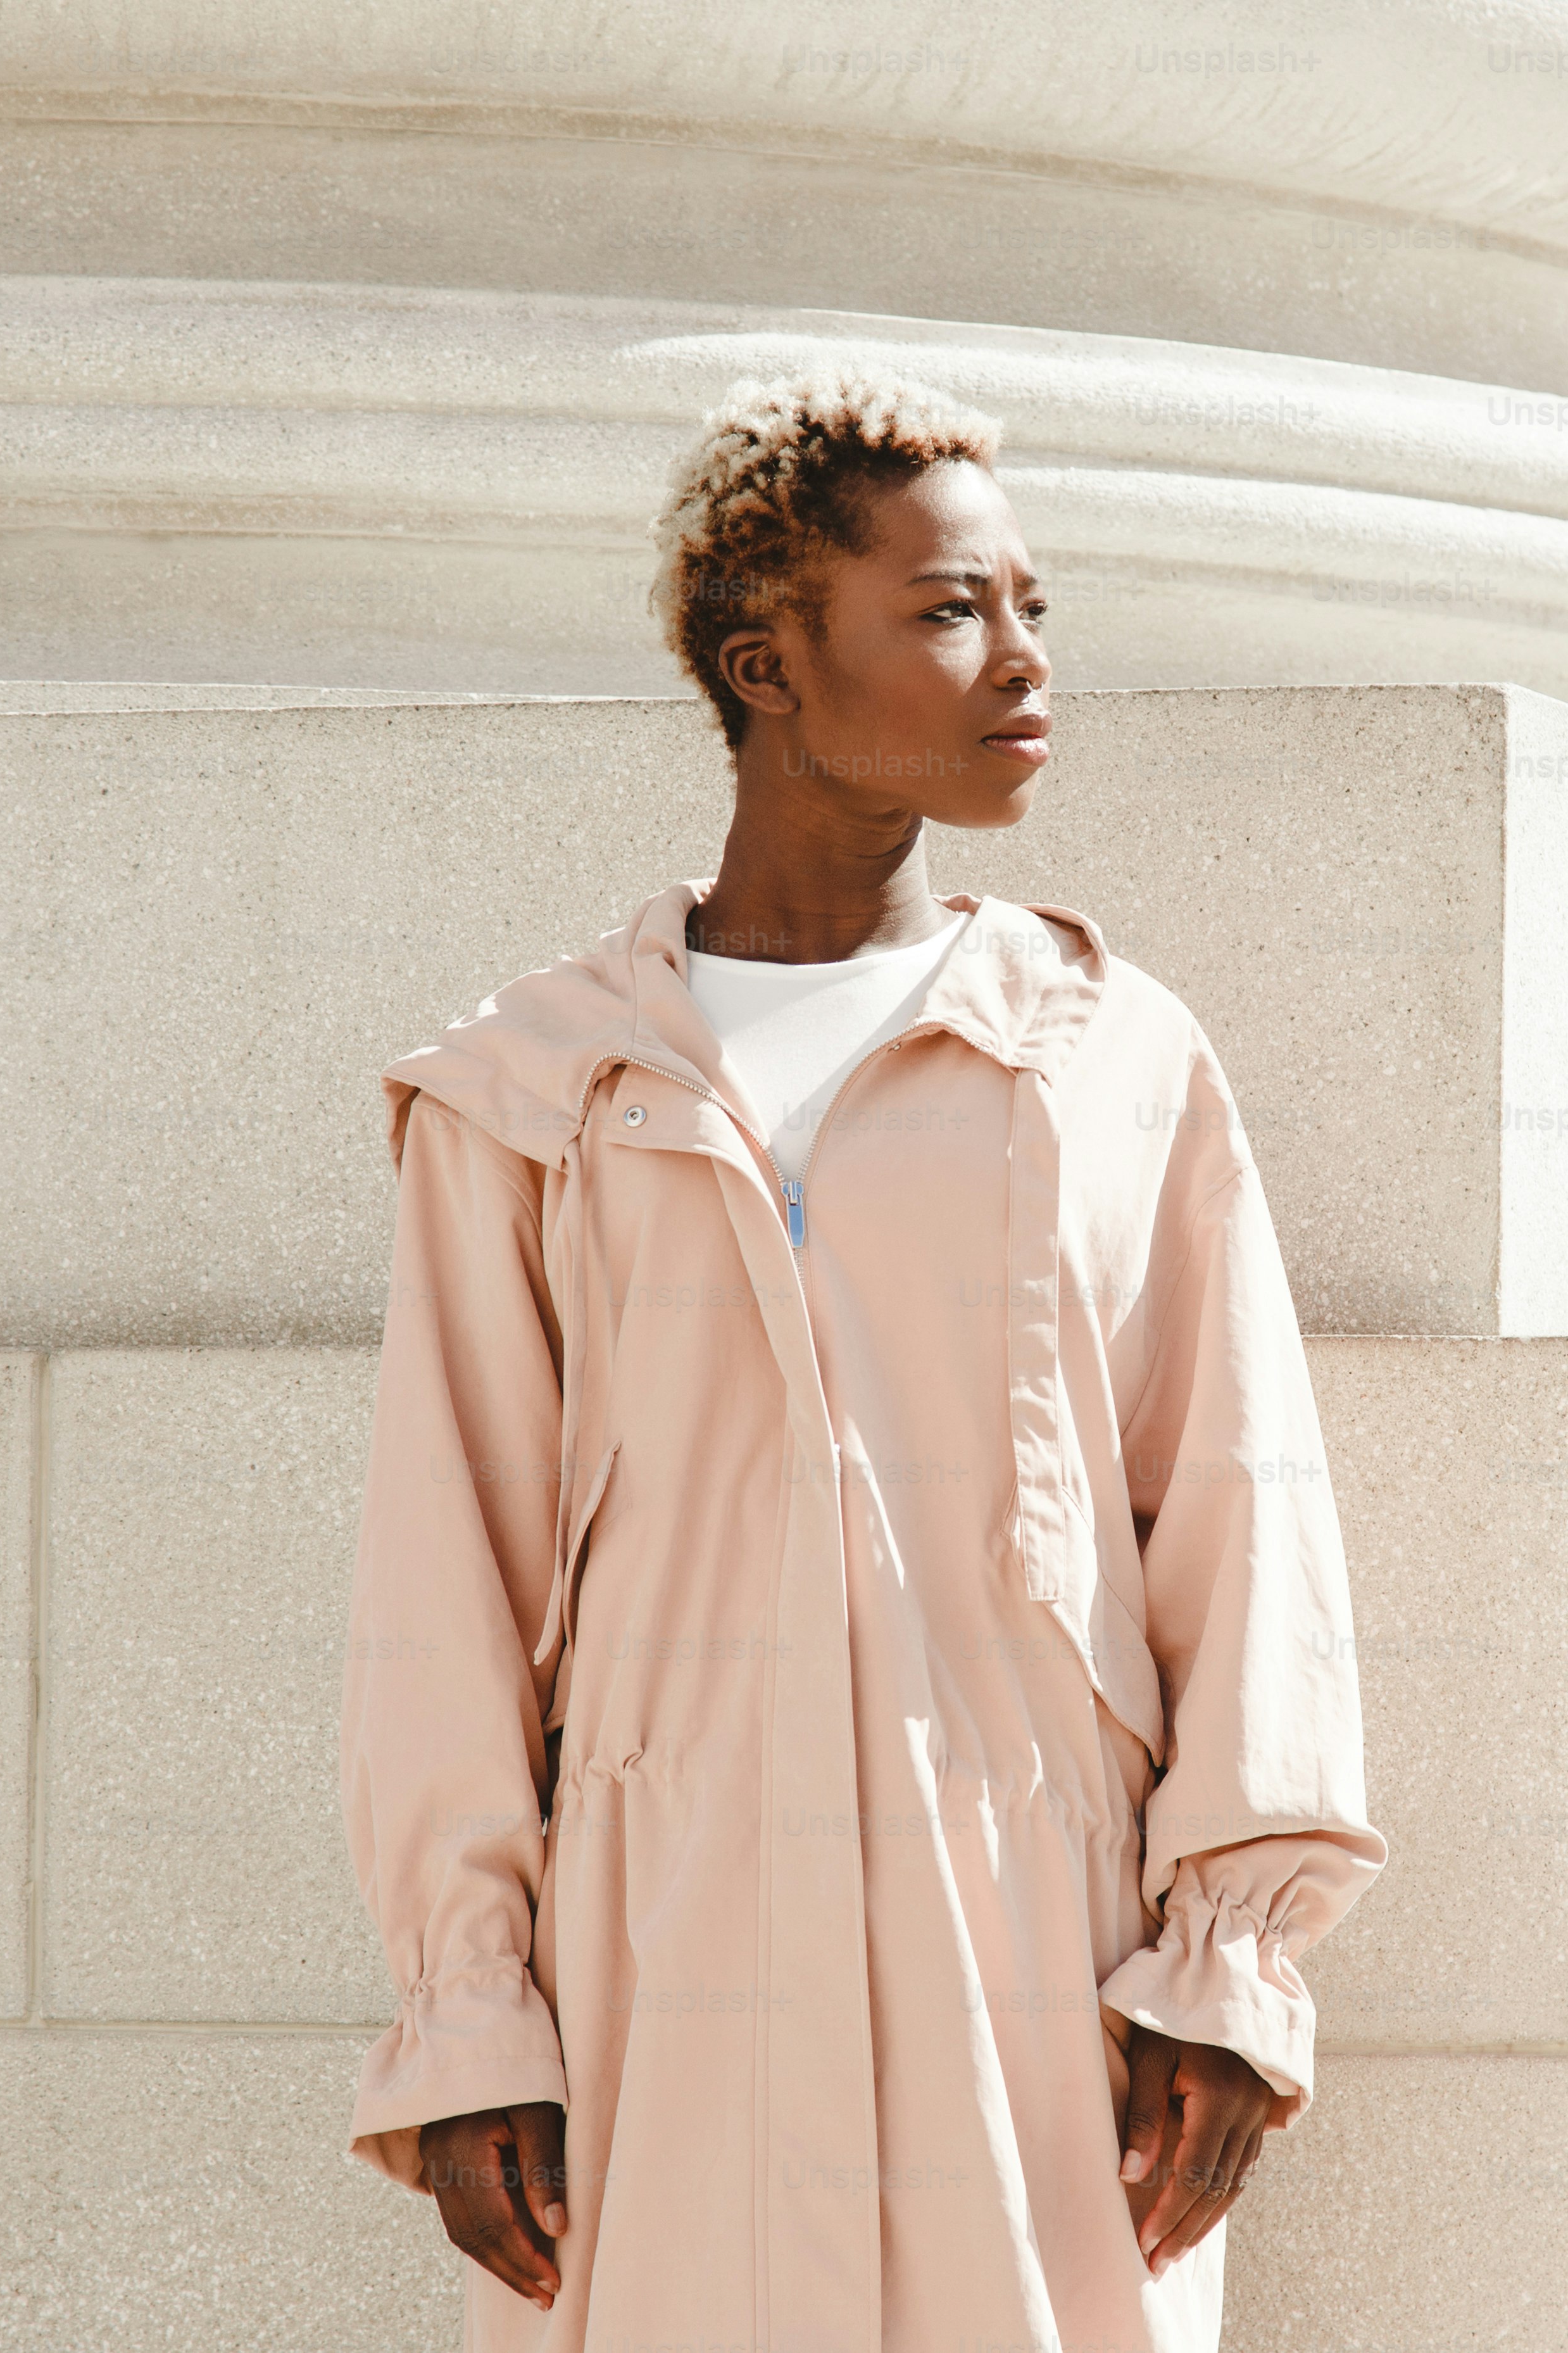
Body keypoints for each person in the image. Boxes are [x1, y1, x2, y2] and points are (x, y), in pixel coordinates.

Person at [338, 364, 1385, 2352]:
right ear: (770, 663)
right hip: (664, 1964)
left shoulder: (1108, 1057)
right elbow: (439, 1574)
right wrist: (469, 2011)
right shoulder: (541, 1091)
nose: (1025, 658)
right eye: (949, 610)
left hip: (1038, 1967)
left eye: (1033, 606)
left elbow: (1243, 1515)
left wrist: (1231, 1967)